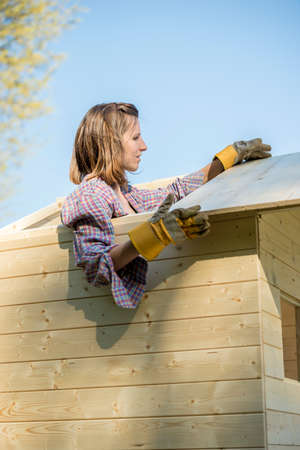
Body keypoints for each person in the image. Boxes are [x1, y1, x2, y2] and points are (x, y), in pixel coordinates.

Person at [61, 102, 271, 309]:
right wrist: (154, 235)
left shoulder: (130, 196)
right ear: (110, 143)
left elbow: (176, 192)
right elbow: (96, 264)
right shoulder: (92, 194)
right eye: (135, 138)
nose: (144, 146)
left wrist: (228, 157)